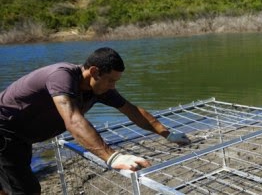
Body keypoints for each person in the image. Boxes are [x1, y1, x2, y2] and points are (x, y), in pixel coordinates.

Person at [0, 47, 190, 194]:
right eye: (110, 80)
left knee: (7, 185)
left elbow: (132, 111)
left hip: (21, 137)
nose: (112, 86)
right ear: (94, 72)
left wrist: (167, 133)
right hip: (5, 131)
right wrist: (112, 157)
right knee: (28, 190)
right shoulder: (62, 76)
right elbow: (73, 120)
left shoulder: (99, 89)